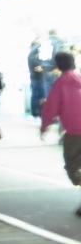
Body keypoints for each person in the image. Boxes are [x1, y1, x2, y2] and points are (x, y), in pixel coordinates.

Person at [41, 51, 81, 214]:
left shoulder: (61, 83)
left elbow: (51, 108)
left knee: (72, 167)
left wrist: (45, 127)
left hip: (75, 133)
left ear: (57, 65)